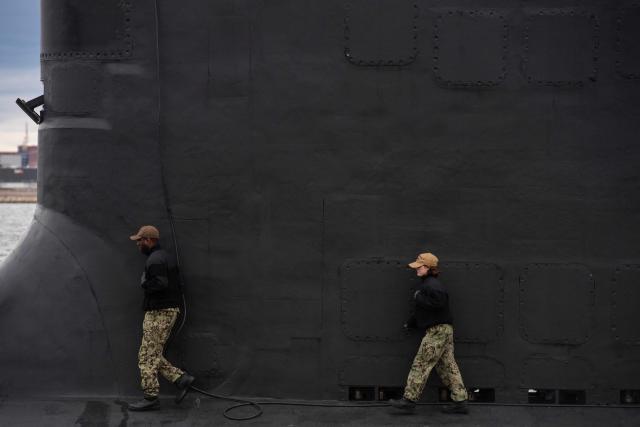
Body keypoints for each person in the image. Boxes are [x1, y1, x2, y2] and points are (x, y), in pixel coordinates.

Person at [389, 252, 469, 414]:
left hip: (437, 331)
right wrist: (411, 323)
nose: (417, 270)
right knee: (447, 366)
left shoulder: (431, 285)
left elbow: (439, 303)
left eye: (420, 267)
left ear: (428, 268)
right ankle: (460, 401)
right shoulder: (430, 284)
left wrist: (418, 298)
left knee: (421, 364)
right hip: (445, 330)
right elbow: (426, 310)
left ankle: (409, 400)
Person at [127, 225, 195, 411]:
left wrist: (144, 283)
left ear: (149, 240)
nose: (138, 244)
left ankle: (151, 398)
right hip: (166, 310)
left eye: (140, 240)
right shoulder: (164, 256)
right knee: (152, 354)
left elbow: (159, 284)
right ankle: (181, 379)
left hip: (160, 312)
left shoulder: (155, 259)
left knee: (146, 357)